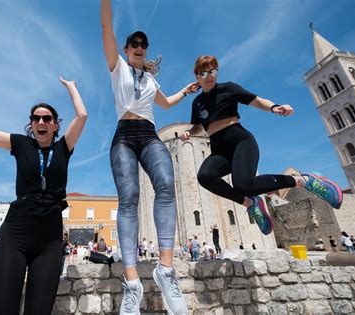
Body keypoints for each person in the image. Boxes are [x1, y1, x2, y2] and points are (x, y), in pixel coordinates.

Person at [0, 67, 87, 314]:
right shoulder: (21, 143)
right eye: (36, 118)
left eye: (47, 118)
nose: (41, 122)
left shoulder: (64, 148)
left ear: (55, 126)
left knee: (39, 310)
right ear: (31, 125)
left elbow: (82, 114)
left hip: (50, 236)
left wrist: (71, 87)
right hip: (17, 230)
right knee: (2, 308)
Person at [101, 1, 198, 314]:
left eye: (144, 44)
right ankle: (132, 282)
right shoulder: (117, 68)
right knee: (129, 197)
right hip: (124, 137)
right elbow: (106, 28)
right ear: (127, 49)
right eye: (135, 44)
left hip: (149, 135)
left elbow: (167, 104)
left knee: (167, 187)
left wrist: (185, 90)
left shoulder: (152, 81)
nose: (140, 47)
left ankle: (165, 270)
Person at [181, 55, 343, 235]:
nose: (209, 76)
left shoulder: (228, 88)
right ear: (197, 77)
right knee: (205, 176)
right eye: (203, 73)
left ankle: (305, 180)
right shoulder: (197, 102)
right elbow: (198, 126)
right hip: (219, 150)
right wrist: (189, 132)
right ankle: (251, 203)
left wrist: (274, 107)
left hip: (240, 141)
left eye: (212, 71)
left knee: (243, 183)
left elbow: (256, 100)